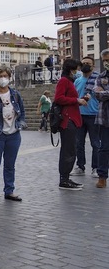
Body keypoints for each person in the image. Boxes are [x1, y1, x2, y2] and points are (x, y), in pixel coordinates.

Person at [0, 66, 26, 202]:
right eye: (0, 76)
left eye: (5, 76)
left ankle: (9, 190)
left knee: (10, 165)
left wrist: (21, 123)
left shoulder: (15, 95)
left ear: (9, 78)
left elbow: (22, 112)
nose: (3, 79)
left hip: (13, 134)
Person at [54, 58, 87, 191]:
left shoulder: (69, 81)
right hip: (67, 120)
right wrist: (76, 100)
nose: (78, 72)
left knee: (71, 149)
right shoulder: (64, 81)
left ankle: (66, 177)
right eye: (76, 69)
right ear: (71, 69)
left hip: (72, 119)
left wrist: (80, 100)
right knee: (68, 150)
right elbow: (58, 98)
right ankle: (64, 179)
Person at [71, 56, 100, 178]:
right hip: (80, 115)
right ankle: (80, 166)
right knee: (78, 143)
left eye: (88, 63)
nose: (85, 65)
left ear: (93, 66)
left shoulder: (98, 79)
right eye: (83, 63)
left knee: (95, 144)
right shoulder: (77, 81)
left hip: (94, 115)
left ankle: (96, 168)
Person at [92, 49, 109, 188]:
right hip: (105, 118)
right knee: (104, 148)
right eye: (104, 60)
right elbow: (96, 94)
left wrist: (105, 92)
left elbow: (102, 93)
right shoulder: (100, 76)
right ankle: (102, 176)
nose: (106, 63)